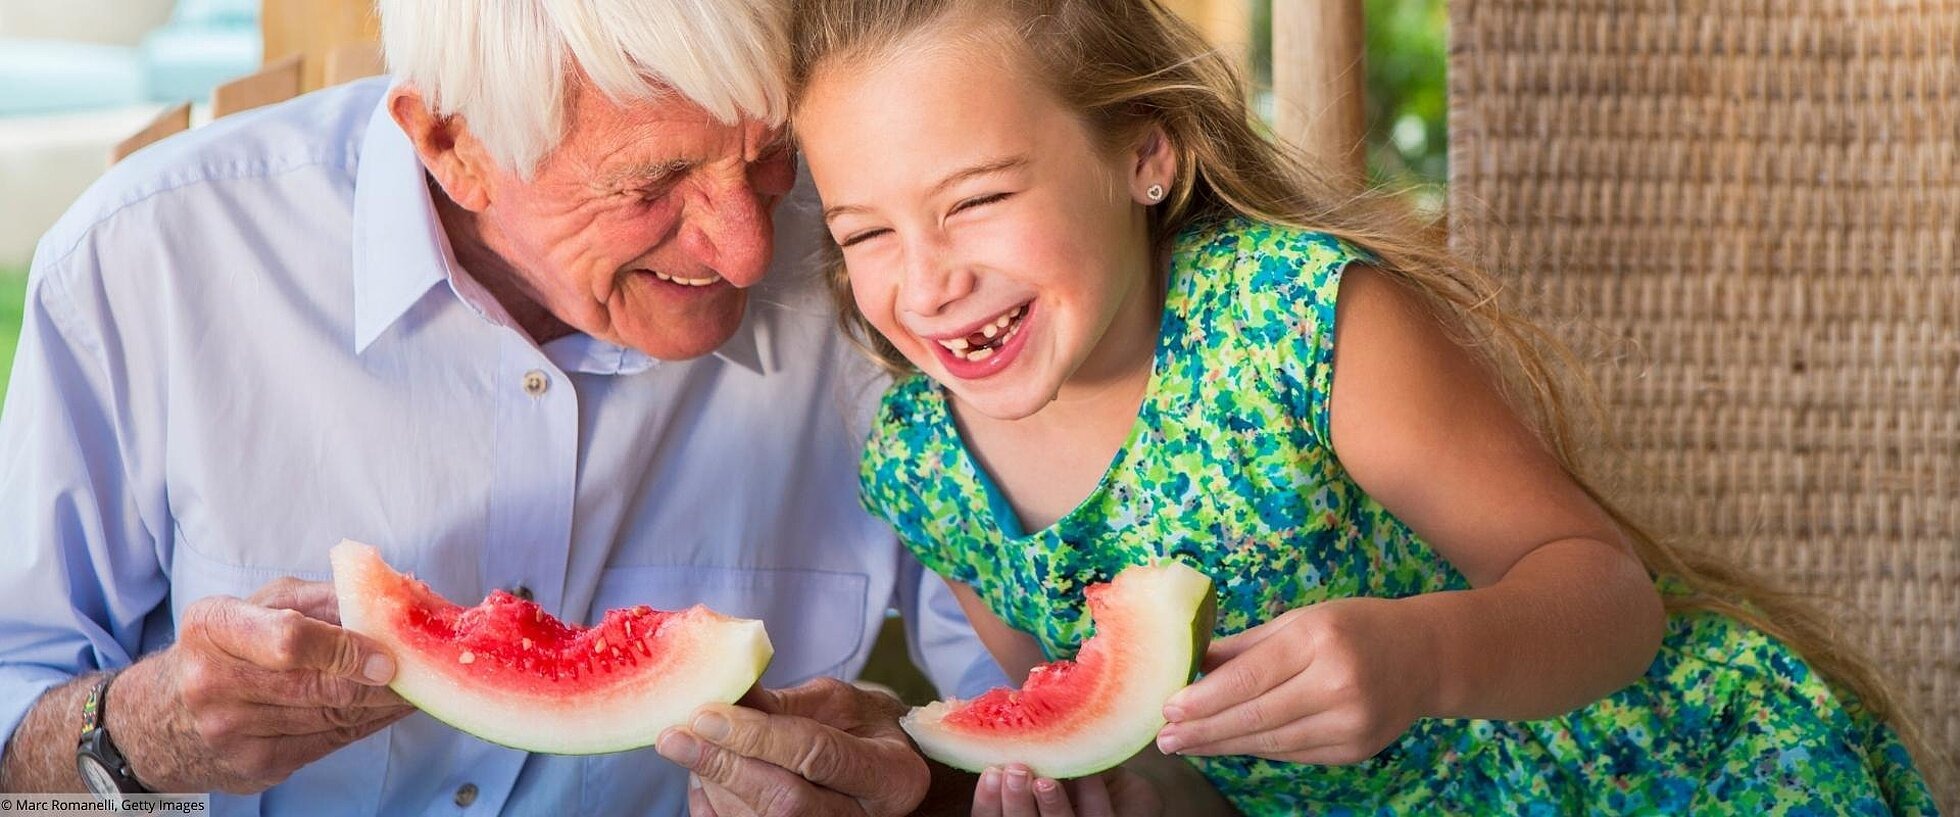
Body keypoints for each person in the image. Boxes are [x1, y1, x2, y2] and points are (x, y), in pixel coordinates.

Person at [787, 0, 1943, 814]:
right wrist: (1127, 793)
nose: (926, 280)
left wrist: (1424, 658)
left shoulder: (1296, 319)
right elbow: (1152, 754)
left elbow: (1606, 595)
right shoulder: (928, 472)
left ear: (1146, 154)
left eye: (977, 199)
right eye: (866, 233)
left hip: (1667, 773)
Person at [0, 0, 1007, 814]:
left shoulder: (880, 256)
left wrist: (918, 796)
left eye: (766, 155)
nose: (749, 249)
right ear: (451, 143)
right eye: (651, 183)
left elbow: (1047, 744)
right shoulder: (146, 263)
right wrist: (132, 737)